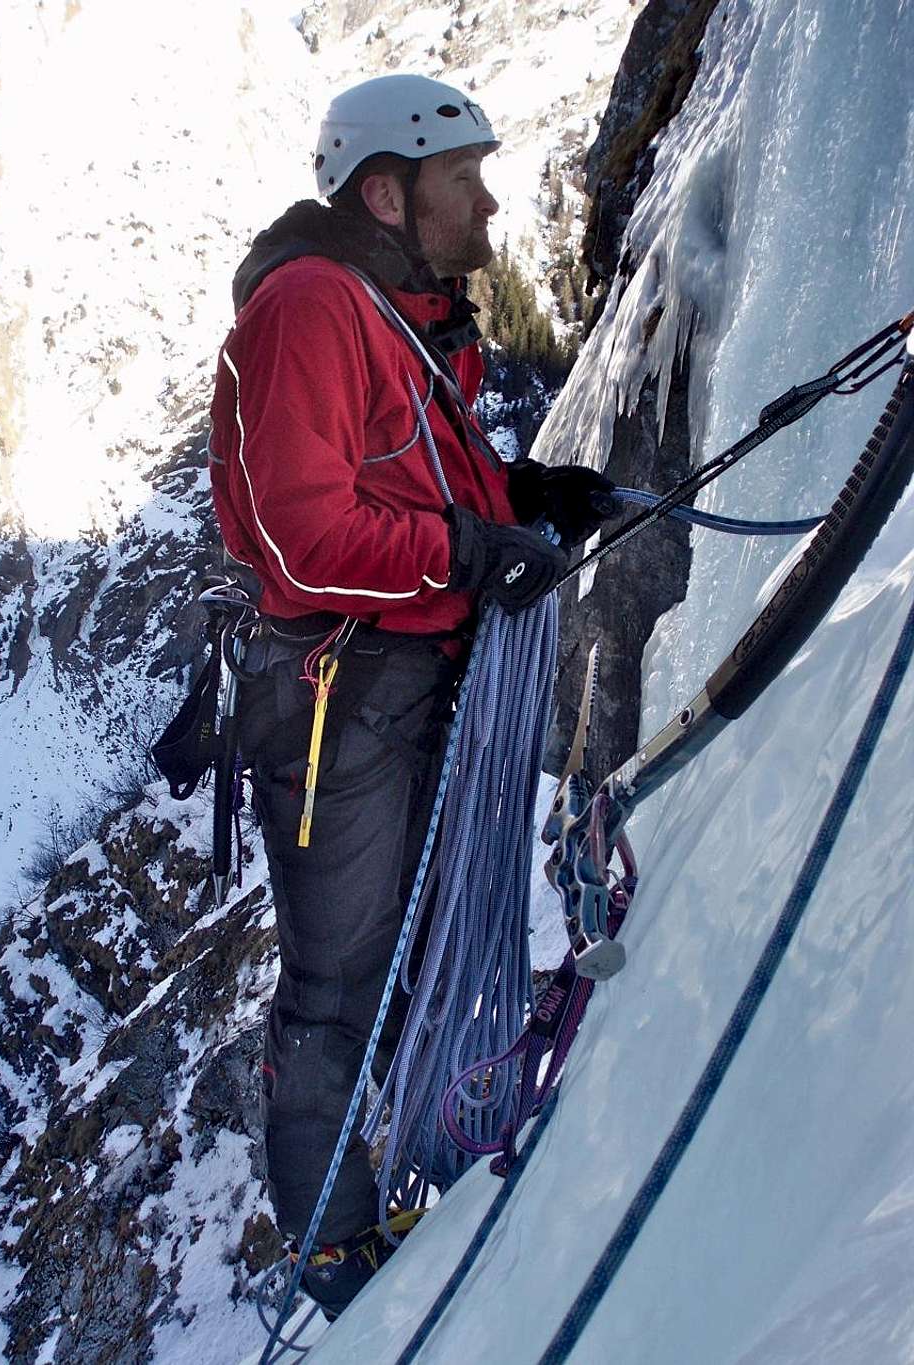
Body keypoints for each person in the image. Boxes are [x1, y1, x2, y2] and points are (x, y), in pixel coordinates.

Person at [208, 73, 615, 1319]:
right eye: (465, 179)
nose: (490, 205)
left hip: (393, 677)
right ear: (387, 192)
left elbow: (408, 484)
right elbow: (297, 534)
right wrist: (467, 554)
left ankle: (431, 1132)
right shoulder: (313, 306)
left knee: (424, 940)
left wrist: (522, 502)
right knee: (340, 983)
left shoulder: (392, 314)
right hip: (340, 691)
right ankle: (335, 1250)